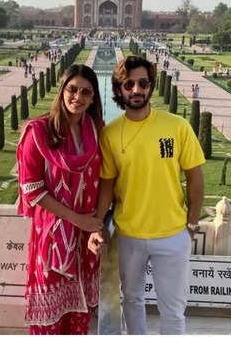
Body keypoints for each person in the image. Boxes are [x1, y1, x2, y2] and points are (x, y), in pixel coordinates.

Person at [88, 55, 205, 335]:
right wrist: (97, 225)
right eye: (129, 84)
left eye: (142, 83)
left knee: (173, 310)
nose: (136, 90)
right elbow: (106, 183)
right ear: (119, 89)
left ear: (151, 86)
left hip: (173, 234)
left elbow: (195, 178)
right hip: (129, 234)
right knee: (132, 300)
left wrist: (191, 223)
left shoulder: (176, 127)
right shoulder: (111, 134)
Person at [17, 64, 105, 335]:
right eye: (73, 89)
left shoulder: (98, 130)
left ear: (93, 98)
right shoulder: (40, 131)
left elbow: (108, 179)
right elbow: (32, 188)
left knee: (79, 314)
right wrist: (77, 219)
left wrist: (95, 225)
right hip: (53, 236)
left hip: (87, 236)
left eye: (86, 92)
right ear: (62, 90)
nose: (78, 97)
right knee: (51, 315)